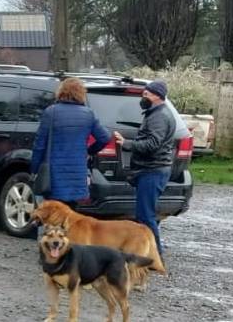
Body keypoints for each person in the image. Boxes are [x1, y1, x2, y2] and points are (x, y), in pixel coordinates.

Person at [114, 79, 174, 256]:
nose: (143, 97)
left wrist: (128, 143)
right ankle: (147, 252)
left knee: (146, 216)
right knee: (145, 214)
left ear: (157, 96)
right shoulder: (155, 113)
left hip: (153, 170)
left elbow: (153, 143)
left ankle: (155, 255)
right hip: (150, 170)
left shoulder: (159, 116)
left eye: (146, 94)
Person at [31, 77, 111, 206]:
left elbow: (39, 145)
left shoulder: (51, 112)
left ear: (61, 91)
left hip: (54, 174)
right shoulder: (88, 114)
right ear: (81, 93)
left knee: (50, 215)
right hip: (77, 175)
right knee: (71, 216)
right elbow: (105, 138)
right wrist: (90, 151)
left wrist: (34, 169)